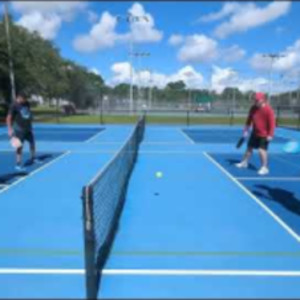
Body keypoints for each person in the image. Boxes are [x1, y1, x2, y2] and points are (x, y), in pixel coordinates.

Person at [235, 92, 275, 175]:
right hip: (255, 132)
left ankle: (264, 167)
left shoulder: (268, 110)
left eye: (257, 100)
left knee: (261, 150)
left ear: (262, 100)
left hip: (264, 134)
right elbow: (249, 120)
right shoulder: (253, 108)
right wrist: (246, 130)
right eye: (254, 100)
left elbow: (272, 123)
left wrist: (270, 135)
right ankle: (244, 162)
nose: (255, 101)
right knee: (249, 148)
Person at [6, 91, 38, 171]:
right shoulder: (14, 105)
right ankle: (18, 164)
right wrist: (10, 129)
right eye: (24, 99)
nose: (25, 101)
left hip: (27, 128)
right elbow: (8, 118)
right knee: (19, 146)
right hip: (19, 129)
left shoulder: (26, 103)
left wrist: (30, 122)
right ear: (19, 98)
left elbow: (28, 113)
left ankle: (33, 158)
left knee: (32, 143)